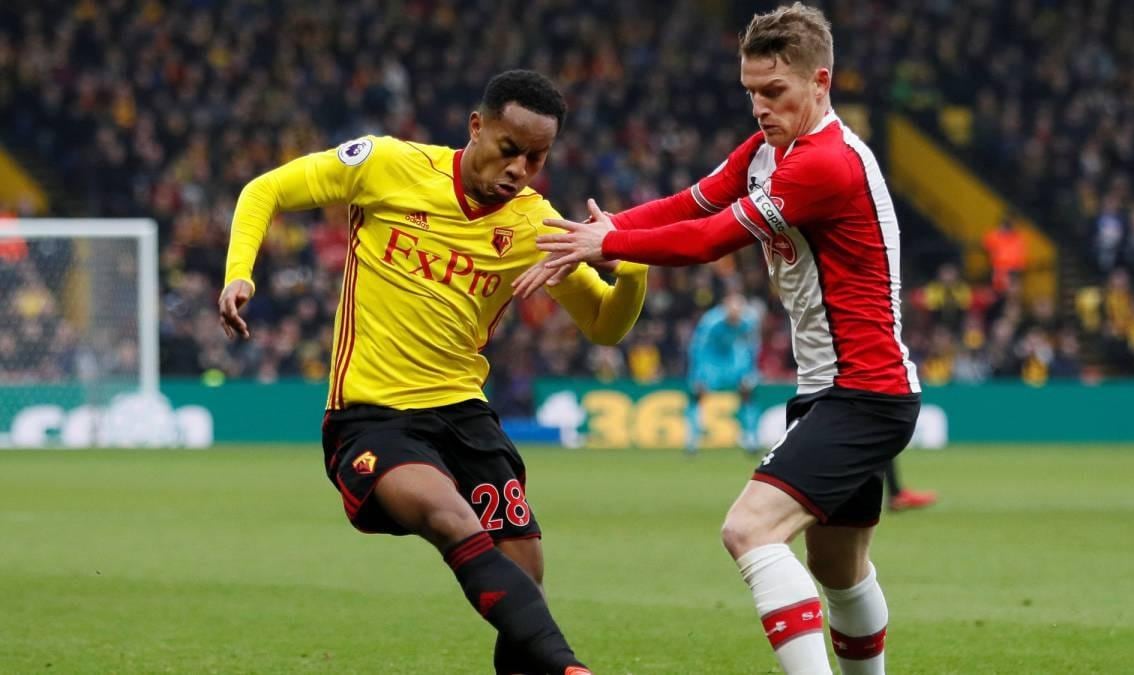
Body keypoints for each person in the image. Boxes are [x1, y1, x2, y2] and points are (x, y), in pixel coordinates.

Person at [527, 5, 919, 673]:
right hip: (833, 391)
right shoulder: (771, 149)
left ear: (819, 81)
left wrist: (613, 242)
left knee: (749, 529)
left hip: (862, 391)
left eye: (775, 92)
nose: (760, 107)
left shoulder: (825, 163)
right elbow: (691, 203)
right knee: (839, 567)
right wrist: (605, 226)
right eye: (751, 93)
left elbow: (712, 239)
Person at [218, 70, 649, 675]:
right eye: (509, 149)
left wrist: (630, 265)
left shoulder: (534, 224)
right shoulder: (388, 165)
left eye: (537, 156)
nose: (520, 169)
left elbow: (605, 325)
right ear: (476, 127)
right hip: (372, 417)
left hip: (464, 414)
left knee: (525, 568)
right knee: (451, 518)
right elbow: (264, 190)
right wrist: (241, 271)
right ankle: (572, 670)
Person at [686, 291, 762, 453]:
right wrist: (697, 374)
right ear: (725, 309)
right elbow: (697, 347)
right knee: (699, 393)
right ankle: (692, 439)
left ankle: (750, 438)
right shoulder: (711, 321)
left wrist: (751, 371)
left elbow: (752, 347)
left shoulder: (749, 321)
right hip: (710, 359)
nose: (736, 317)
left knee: (747, 391)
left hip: (733, 357)